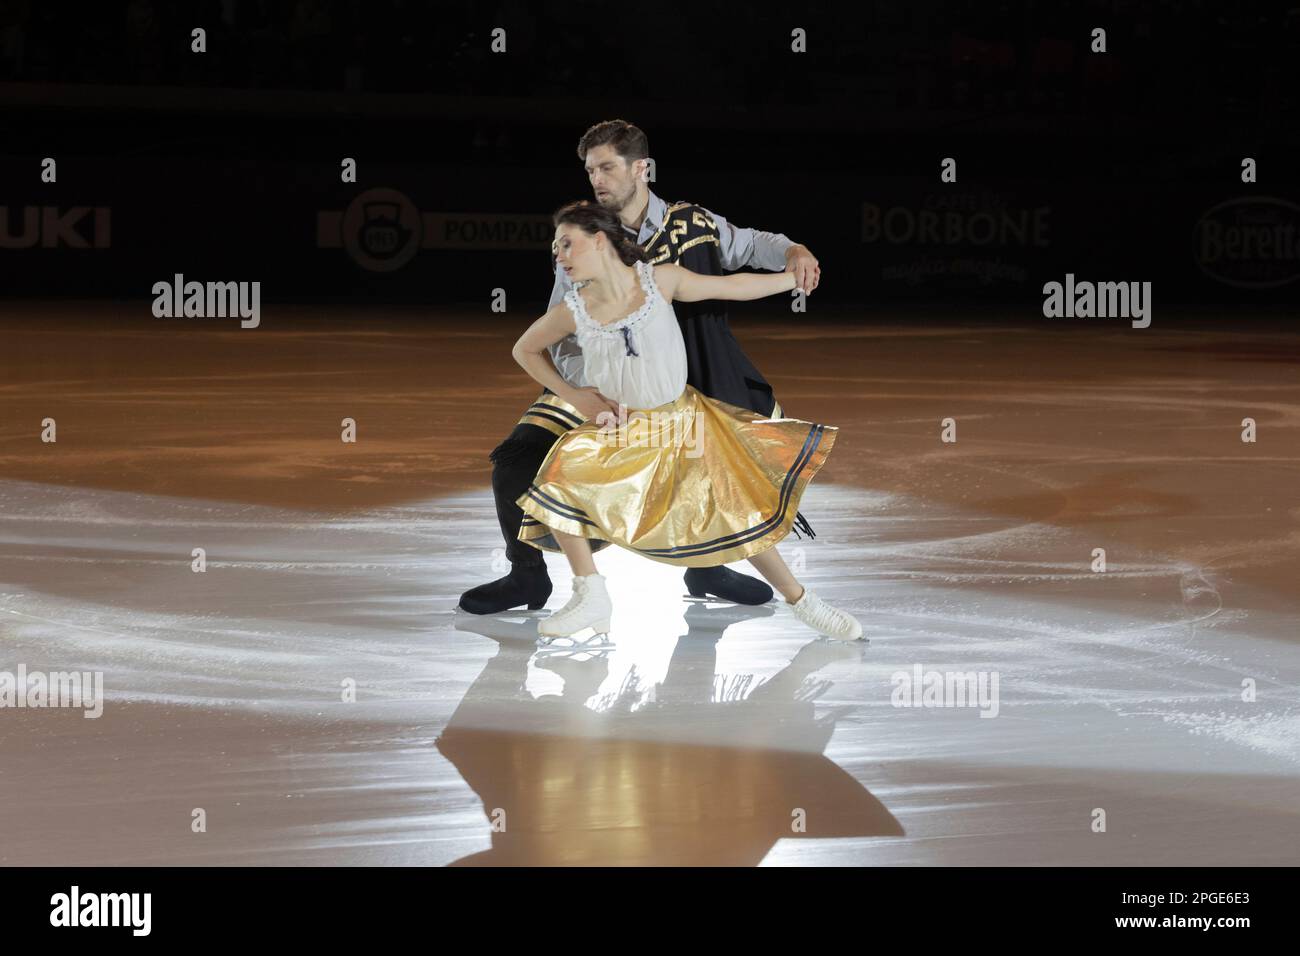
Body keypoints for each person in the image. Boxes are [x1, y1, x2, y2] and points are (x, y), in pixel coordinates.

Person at [458, 119, 822, 615]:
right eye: (590, 170)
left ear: (641, 169)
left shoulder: (693, 224)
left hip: (687, 383)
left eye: (607, 167)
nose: (597, 180)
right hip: (600, 385)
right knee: (515, 463)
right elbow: (558, 330)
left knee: (719, 470)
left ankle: (708, 566)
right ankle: (527, 577)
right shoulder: (584, 238)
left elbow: (753, 246)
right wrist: (583, 396)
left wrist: (794, 252)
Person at [510, 200, 863, 647]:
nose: (558, 255)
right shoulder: (573, 308)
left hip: (685, 424)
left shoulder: (660, 280)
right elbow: (524, 349)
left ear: (599, 241)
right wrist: (576, 395)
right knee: (560, 474)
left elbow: (732, 286)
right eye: (555, 247)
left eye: (566, 244)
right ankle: (590, 592)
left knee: (735, 515)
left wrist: (791, 278)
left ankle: (803, 601)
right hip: (624, 431)